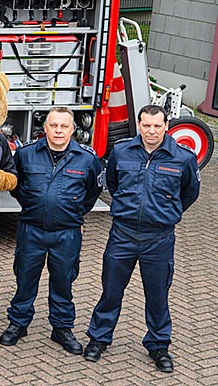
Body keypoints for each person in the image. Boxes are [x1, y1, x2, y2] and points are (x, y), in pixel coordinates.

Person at [83, 105, 200, 373]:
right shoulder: (122, 151)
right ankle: (99, 338)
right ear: (138, 125)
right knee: (111, 290)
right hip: (122, 234)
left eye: (157, 126)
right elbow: (112, 182)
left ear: (166, 125)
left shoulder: (182, 158)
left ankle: (159, 346)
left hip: (158, 238)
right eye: (146, 125)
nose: (151, 131)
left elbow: (189, 194)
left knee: (157, 295)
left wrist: (166, 213)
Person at [0, 108, 103, 354]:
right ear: (44, 128)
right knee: (24, 278)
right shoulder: (26, 154)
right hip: (31, 229)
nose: (58, 130)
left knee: (63, 281)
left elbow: (92, 192)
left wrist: (73, 211)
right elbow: (16, 185)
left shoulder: (87, 158)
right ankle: (18, 323)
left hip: (66, 233)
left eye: (64, 126)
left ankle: (62, 328)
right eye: (53, 125)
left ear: (72, 130)